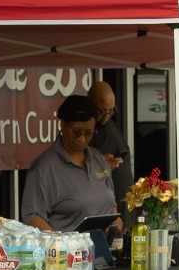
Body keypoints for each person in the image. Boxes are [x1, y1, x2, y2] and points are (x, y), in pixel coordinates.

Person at [21, 94, 118, 232]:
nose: (82, 139)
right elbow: (32, 217)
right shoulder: (43, 169)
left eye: (89, 133)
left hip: (103, 247)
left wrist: (115, 220)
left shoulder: (99, 160)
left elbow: (110, 203)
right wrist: (62, 245)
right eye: (76, 132)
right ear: (62, 124)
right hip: (66, 251)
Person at [87, 81, 132, 223]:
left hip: (123, 209)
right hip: (104, 213)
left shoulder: (109, 124)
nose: (107, 115)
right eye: (102, 110)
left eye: (111, 110)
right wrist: (97, 162)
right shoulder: (86, 131)